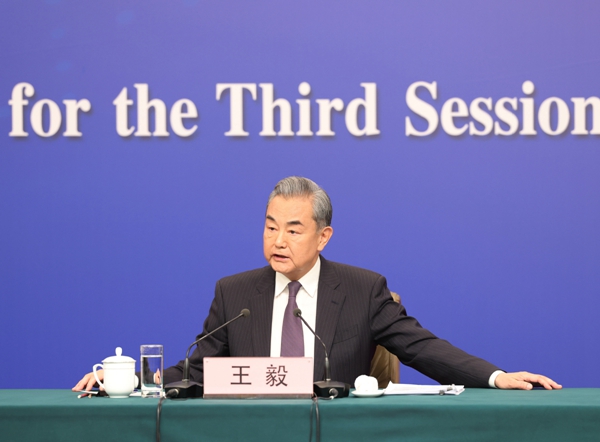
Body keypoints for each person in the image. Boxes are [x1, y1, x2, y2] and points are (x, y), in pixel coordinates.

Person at [74, 176, 561, 392]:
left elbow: (423, 348)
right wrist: (129, 380)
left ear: (323, 237)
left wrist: (496, 376)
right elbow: (199, 369)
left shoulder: (362, 290)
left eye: (293, 229)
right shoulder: (235, 294)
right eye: (270, 226)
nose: (277, 240)